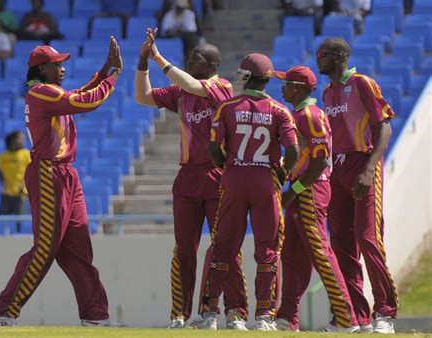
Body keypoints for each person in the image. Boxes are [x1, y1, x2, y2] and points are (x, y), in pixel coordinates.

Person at [0, 37, 123, 327]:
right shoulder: (41, 93)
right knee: (46, 247)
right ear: (41, 69)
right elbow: (85, 102)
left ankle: (95, 316)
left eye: (62, 64)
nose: (62, 68)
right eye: (56, 64)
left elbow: (78, 94)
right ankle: (4, 309)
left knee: (77, 250)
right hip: (48, 172)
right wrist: (113, 77)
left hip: (65, 174)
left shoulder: (48, 92)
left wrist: (102, 71)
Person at [135, 28, 248, 330]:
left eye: (196, 58)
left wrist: (158, 57)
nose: (189, 59)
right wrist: (143, 62)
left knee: (225, 246)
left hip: (216, 175)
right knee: (184, 249)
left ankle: (234, 311)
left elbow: (194, 86)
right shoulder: (180, 91)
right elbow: (143, 96)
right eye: (189, 56)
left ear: (211, 65)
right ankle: (180, 314)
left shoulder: (220, 86)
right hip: (186, 177)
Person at [197, 53, 300, 331]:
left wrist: (225, 166)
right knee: (267, 249)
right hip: (265, 180)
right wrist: (282, 173)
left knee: (224, 246)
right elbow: (293, 151)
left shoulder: (227, 107)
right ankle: (264, 315)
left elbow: (212, 147)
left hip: (234, 177)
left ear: (245, 76)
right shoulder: (280, 110)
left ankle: (210, 314)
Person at [316, 37, 397, 334]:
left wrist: (368, 169)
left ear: (338, 57)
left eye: (322, 55)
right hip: (336, 168)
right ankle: (355, 317)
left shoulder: (363, 83)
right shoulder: (326, 92)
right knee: (341, 245)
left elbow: (384, 126)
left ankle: (385, 313)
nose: (318, 60)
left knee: (368, 238)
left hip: (363, 164)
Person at [272, 66, 359, 332]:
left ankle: (346, 318)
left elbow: (320, 161)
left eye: (286, 83)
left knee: (320, 252)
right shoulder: (299, 113)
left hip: (310, 190)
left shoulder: (309, 114)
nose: (282, 88)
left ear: (298, 88)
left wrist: (293, 191)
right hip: (302, 189)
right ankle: (287, 317)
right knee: (292, 255)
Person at [0, 131, 31, 232]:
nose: (23, 141)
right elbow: (0, 173)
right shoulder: (3, 156)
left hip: (21, 193)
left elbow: (30, 172)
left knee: (20, 220)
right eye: (20, 138)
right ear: (12, 141)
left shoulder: (26, 154)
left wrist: (25, 185)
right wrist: (4, 184)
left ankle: (18, 236)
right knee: (4, 219)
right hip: (6, 193)